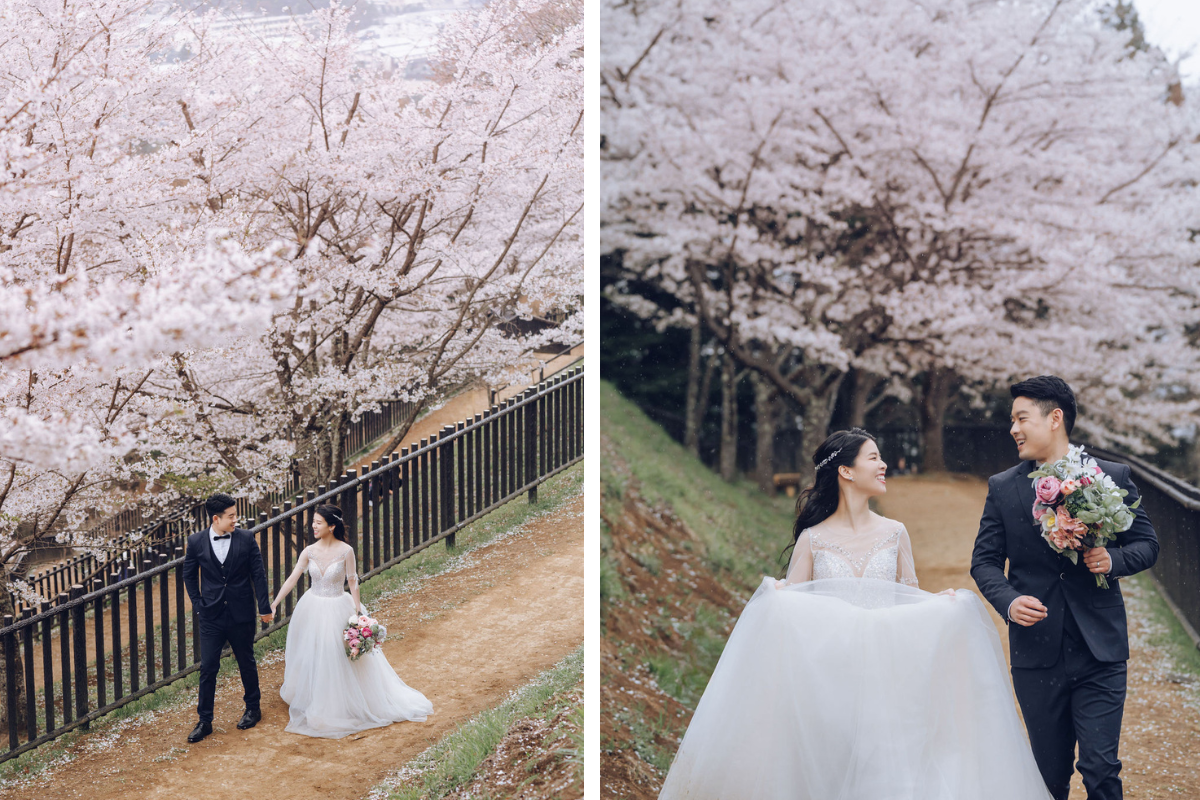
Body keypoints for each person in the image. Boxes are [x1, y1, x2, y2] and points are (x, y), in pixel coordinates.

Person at [656, 428, 1053, 800]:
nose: (884, 465)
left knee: (883, 769)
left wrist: (940, 606)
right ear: (846, 470)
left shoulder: (895, 532)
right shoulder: (812, 540)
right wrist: (778, 598)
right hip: (827, 683)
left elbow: (906, 600)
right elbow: (793, 617)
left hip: (887, 679)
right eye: (874, 458)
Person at [972, 376, 1158, 800]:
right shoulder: (1003, 488)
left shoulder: (1110, 476)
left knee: (1101, 769)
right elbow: (983, 562)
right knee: (1048, 777)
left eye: (1022, 418)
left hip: (1101, 650)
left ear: (1055, 418)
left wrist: (1114, 560)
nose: (1013, 429)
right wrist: (1009, 600)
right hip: (1037, 652)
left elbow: (1147, 544)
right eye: (1012, 421)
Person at [270, 504, 433, 738]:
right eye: (313, 522)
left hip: (338, 605)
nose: (313, 526)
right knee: (315, 651)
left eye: (318, 522)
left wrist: (357, 609)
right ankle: (317, 694)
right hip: (312, 606)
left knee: (336, 652)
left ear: (331, 526)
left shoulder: (346, 551)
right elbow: (292, 579)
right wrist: (275, 603)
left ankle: (336, 701)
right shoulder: (309, 551)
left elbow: (353, 580)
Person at [182, 493, 274, 743]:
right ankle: (205, 721)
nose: (236, 519)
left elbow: (258, 574)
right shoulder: (196, 541)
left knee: (246, 661)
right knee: (208, 667)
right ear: (216, 518)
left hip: (241, 612)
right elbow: (189, 576)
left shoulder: (246, 538)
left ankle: (253, 708)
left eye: (235, 515)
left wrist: (264, 608)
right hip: (211, 616)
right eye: (231, 516)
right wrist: (199, 604)